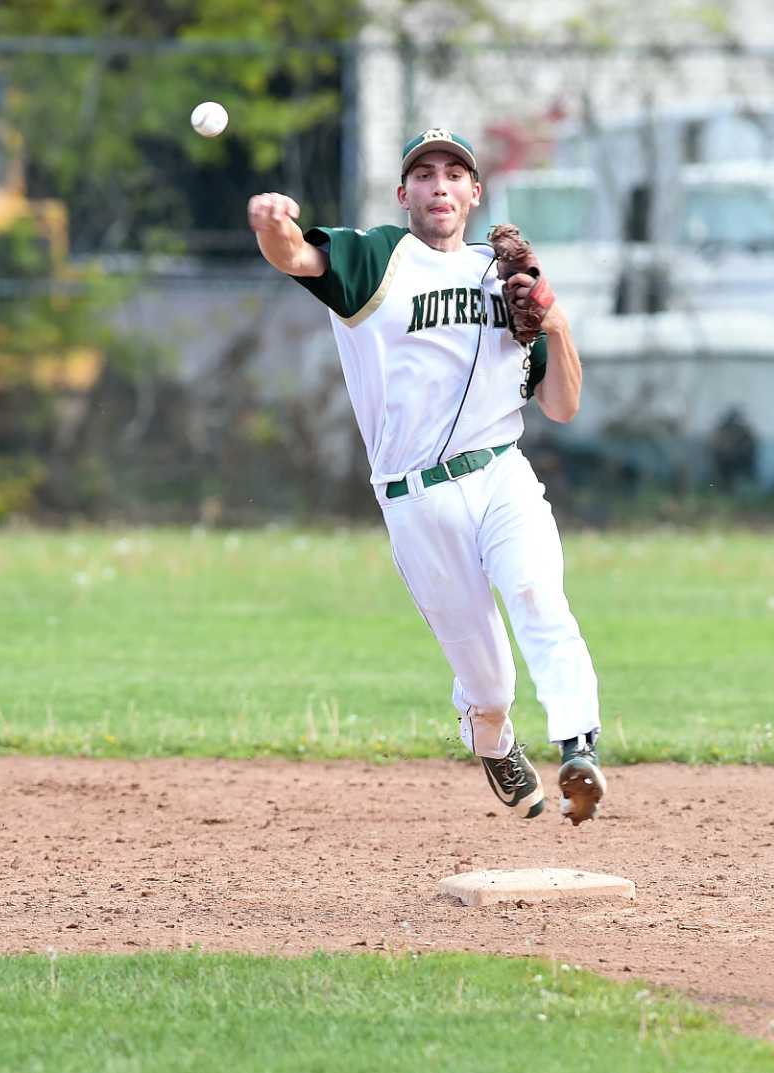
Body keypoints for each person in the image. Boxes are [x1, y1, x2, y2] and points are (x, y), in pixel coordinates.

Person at [247, 128, 606, 824]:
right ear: (403, 193)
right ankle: (493, 739)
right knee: (490, 682)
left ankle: (578, 744)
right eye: (424, 174)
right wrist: (273, 225)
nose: (439, 184)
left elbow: (561, 406)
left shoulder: (504, 279)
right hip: (417, 500)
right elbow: (295, 255)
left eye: (453, 174)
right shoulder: (377, 257)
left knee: (540, 596)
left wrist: (557, 326)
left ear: (474, 192)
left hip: (503, 474)